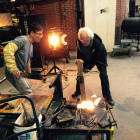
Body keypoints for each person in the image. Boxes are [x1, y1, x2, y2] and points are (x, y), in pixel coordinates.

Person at [72, 27, 115, 106]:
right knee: (79, 73)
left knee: (103, 74)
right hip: (86, 55)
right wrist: (79, 62)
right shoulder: (79, 40)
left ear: (90, 38)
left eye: (85, 40)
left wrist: (88, 68)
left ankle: (108, 96)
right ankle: (78, 91)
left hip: (99, 57)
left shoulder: (97, 43)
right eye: (81, 40)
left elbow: (93, 60)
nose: (83, 42)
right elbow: (79, 52)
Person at [3, 22, 44, 95]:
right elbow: (7, 49)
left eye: (42, 34)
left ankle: (24, 104)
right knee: (28, 94)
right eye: (39, 34)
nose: (41, 36)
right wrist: (13, 69)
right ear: (32, 33)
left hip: (21, 72)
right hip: (15, 73)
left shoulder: (31, 45)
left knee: (26, 90)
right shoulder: (23, 39)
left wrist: (29, 74)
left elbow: (28, 60)